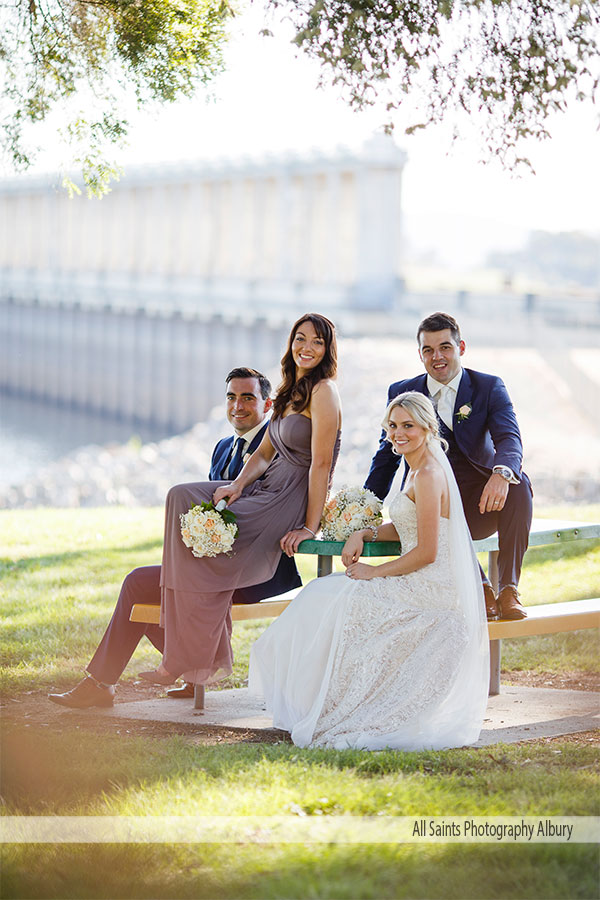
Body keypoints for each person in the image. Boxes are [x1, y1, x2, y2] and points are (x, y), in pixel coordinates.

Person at [48, 366, 301, 708]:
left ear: (268, 405)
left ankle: (176, 668)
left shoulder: (278, 445)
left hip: (258, 571)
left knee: (155, 583)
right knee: (141, 582)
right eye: (231, 397)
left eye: (247, 397)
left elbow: (269, 509)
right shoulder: (223, 447)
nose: (237, 405)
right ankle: (118, 681)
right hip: (212, 567)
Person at [249, 392, 489, 750]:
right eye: (392, 426)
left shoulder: (428, 474)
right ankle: (310, 702)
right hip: (414, 578)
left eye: (407, 425)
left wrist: (373, 573)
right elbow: (409, 525)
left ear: (427, 427)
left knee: (325, 596)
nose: (398, 433)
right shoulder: (415, 468)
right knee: (322, 595)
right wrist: (365, 532)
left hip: (429, 588)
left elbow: (426, 551)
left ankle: (323, 705)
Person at [132, 313, 342, 688]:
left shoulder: (324, 391)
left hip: (285, 497)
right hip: (261, 488)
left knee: (205, 548)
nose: (306, 348)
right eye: (300, 339)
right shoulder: (290, 391)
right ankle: (193, 655)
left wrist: (310, 525)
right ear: (291, 343)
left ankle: (181, 659)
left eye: (316, 342)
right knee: (179, 495)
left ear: (327, 350)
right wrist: (238, 486)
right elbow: (261, 455)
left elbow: (322, 464)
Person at [365, 312, 533, 621]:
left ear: (461, 348)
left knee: (519, 483)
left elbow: (509, 439)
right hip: (433, 502)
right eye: (428, 350)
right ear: (420, 354)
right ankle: (480, 586)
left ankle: (508, 589)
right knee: (440, 507)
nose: (437, 357)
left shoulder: (488, 387)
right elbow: (386, 455)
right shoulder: (402, 391)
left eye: (445, 347)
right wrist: (365, 504)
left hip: (482, 500)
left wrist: (501, 474)